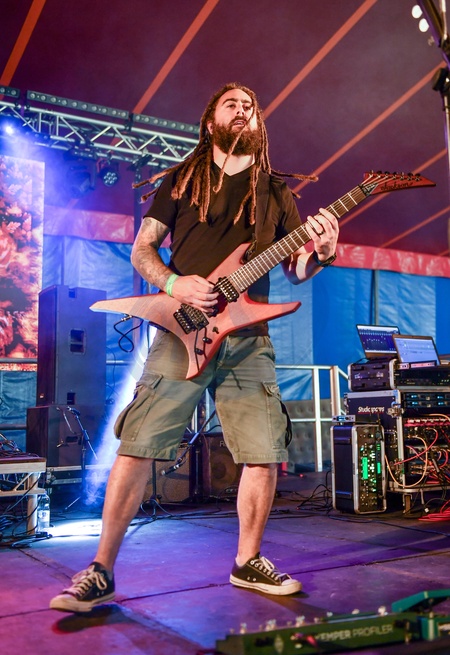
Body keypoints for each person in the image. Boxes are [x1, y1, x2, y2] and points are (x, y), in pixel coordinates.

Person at [50, 83, 339, 613]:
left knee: (263, 452)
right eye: (232, 103)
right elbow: (142, 249)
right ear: (211, 121)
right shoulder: (183, 180)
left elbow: (297, 271)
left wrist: (321, 251)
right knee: (138, 442)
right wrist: (174, 283)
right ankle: (100, 569)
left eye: (250, 106)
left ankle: (248, 561)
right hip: (182, 332)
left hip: (248, 340)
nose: (243, 110)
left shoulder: (276, 192)